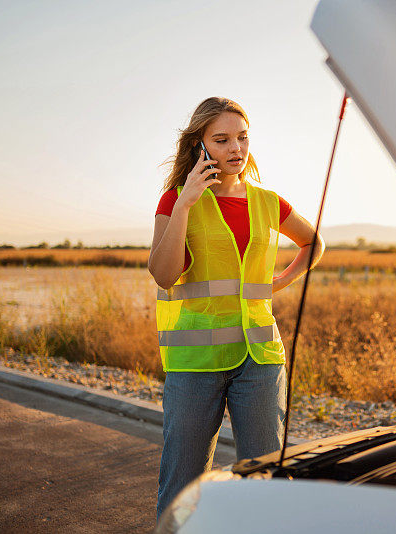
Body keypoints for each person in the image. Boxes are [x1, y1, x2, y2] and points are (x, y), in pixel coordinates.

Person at [149, 96, 324, 521]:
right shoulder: (175, 200)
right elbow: (163, 273)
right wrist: (187, 202)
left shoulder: (267, 201)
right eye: (222, 139)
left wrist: (281, 281)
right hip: (195, 361)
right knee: (184, 482)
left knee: (265, 475)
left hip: (261, 359)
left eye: (242, 138)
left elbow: (313, 243)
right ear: (200, 146)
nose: (235, 149)